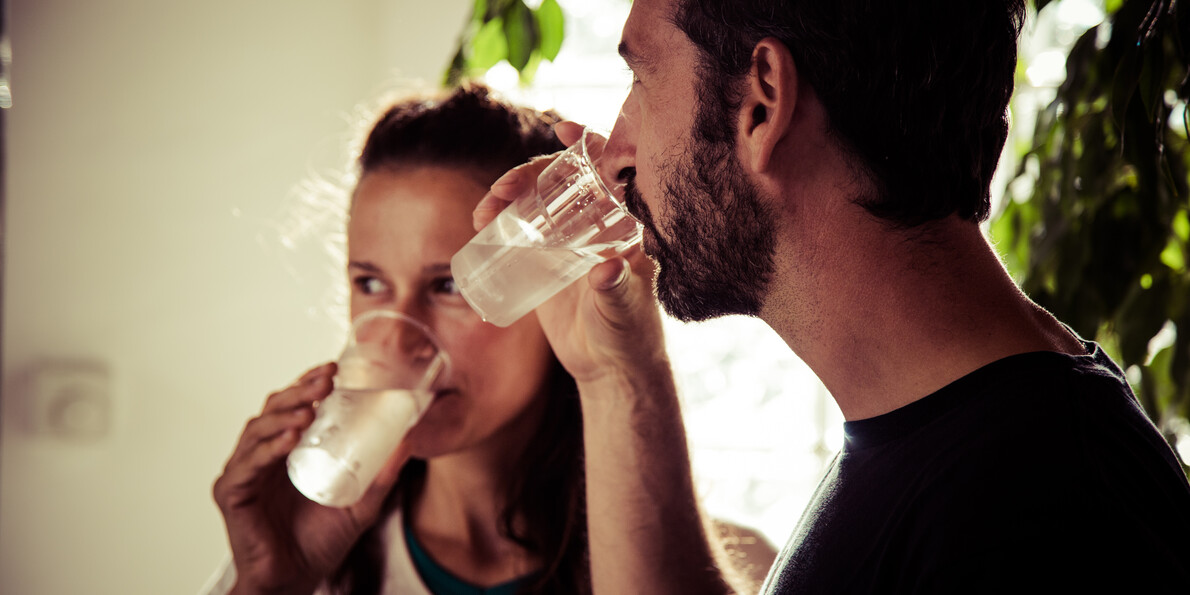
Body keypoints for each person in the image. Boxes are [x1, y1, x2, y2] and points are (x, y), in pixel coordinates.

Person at [474, 0, 1190, 592]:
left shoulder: (1030, 521)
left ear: (762, 103)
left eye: (640, 81)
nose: (614, 151)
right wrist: (610, 374)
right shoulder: (954, 439)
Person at [203, 83, 774, 595]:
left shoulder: (715, 567)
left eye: (450, 284)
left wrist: (623, 372)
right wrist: (268, 585)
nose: (402, 340)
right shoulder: (295, 554)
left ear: (554, 279)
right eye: (370, 282)